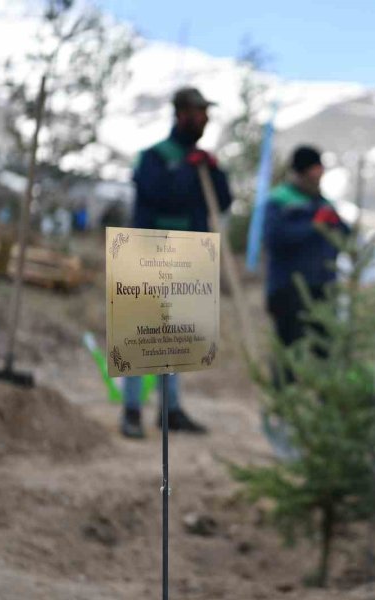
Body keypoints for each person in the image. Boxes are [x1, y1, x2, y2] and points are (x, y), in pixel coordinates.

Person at [119, 86, 233, 439]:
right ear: (182, 113)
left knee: (177, 333)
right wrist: (186, 169)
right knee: (142, 332)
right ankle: (132, 410)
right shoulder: (153, 157)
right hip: (150, 251)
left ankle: (171, 409)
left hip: (189, 254)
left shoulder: (202, 162)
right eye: (200, 112)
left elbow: (223, 201)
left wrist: (215, 173)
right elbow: (161, 194)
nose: (205, 119)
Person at [263, 145, 348, 349]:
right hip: (288, 290)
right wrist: (313, 225)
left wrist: (335, 223)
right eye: (314, 171)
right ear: (302, 172)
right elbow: (274, 239)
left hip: (323, 291)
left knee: (324, 351)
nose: (319, 177)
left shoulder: (324, 204)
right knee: (289, 353)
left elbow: (345, 237)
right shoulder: (279, 200)